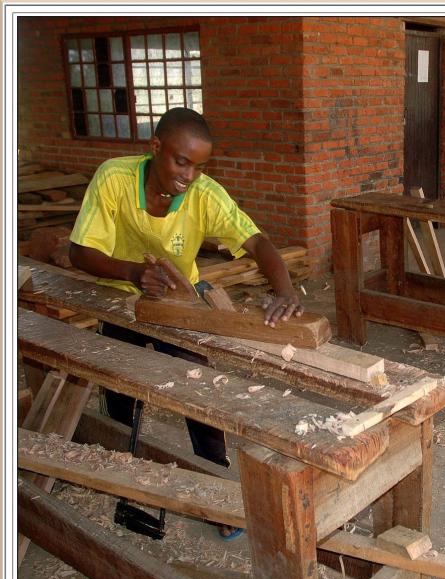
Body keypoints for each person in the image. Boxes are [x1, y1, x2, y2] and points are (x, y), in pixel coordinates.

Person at [69, 107, 303, 539]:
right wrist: (132, 273)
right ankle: (125, 476)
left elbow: (257, 242)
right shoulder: (114, 178)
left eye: (199, 166)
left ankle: (216, 488)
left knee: (199, 388)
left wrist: (285, 289)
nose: (189, 176)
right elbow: (79, 253)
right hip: (121, 296)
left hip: (181, 302)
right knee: (119, 388)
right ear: (155, 147)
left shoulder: (204, 194)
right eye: (181, 162)